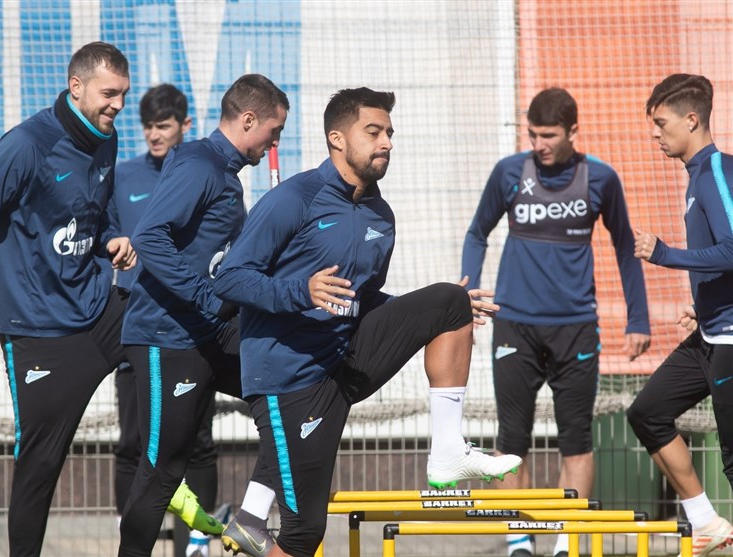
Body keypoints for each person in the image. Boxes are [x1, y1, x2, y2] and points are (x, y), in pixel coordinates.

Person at [214, 87, 522, 557]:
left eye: (390, 133)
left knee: (450, 301)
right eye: (373, 132)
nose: (386, 142)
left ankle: (447, 451)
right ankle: (252, 519)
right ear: (337, 138)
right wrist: (301, 291)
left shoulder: (381, 215)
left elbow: (365, 300)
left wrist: (420, 317)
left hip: (342, 363)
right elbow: (230, 278)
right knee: (303, 533)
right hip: (288, 380)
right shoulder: (294, 198)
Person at [0, 42, 134, 557]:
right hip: (38, 333)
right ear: (77, 87)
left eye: (124, 94)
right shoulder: (26, 145)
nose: (118, 105)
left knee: (174, 335)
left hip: (98, 308)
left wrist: (113, 237)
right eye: (109, 93)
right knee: (40, 467)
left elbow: (99, 212)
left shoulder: (108, 138)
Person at [461, 87, 651, 557]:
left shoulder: (600, 178)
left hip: (576, 328)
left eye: (548, 135)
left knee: (577, 440)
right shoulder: (509, 172)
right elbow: (477, 232)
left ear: (572, 131)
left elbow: (625, 247)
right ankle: (519, 541)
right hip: (515, 326)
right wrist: (467, 296)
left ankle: (567, 540)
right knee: (511, 440)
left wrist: (638, 318)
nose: (539, 144)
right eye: (533, 135)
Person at [117, 74, 289, 557]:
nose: (274, 143)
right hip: (164, 337)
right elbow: (150, 236)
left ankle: (251, 518)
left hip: (206, 334)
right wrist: (206, 298)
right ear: (248, 120)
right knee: (161, 471)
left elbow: (224, 260)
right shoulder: (200, 164)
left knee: (290, 391)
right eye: (273, 131)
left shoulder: (226, 175)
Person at [110, 83, 223, 557]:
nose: (154, 135)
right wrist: (113, 241)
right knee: (133, 441)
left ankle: (193, 544)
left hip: (190, 329)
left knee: (196, 440)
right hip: (139, 326)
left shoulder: (200, 173)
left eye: (164, 125)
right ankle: (134, 535)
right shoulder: (124, 176)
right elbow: (103, 227)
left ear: (185, 125)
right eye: (148, 127)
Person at [628, 73, 733, 557]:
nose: (655, 133)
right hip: (709, 333)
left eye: (661, 123)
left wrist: (665, 253)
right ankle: (706, 522)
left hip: (729, 339)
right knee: (648, 413)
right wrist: (704, 302)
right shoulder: (697, 177)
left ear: (692, 120)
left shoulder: (715, 173)